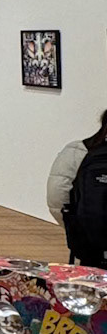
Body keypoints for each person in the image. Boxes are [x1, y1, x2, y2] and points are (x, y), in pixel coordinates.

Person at [47, 108, 107, 266]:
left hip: (91, 247)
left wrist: (76, 227)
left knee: (90, 279)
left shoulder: (78, 151)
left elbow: (57, 199)